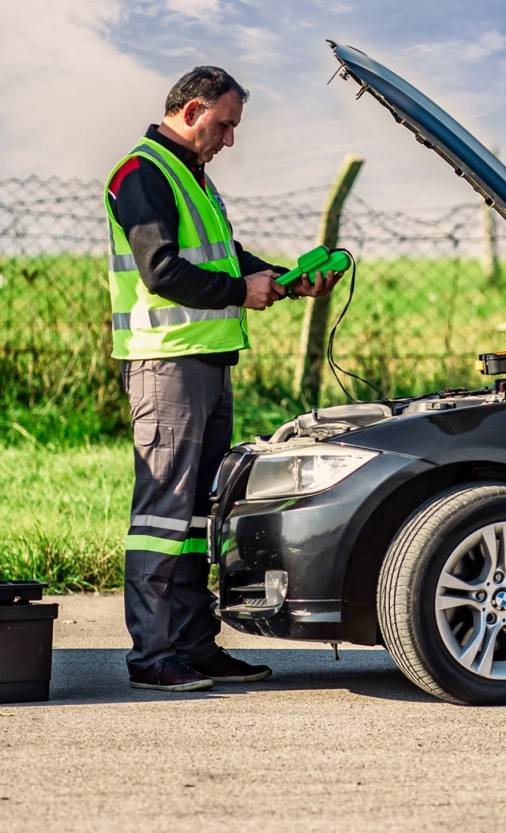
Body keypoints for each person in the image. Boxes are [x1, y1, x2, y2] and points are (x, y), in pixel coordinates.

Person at [105, 66, 342, 692]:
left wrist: (286, 280)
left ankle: (193, 646)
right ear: (191, 111)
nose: (230, 139)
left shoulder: (192, 178)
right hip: (167, 364)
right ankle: (153, 656)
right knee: (162, 515)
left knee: (193, 521)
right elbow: (161, 271)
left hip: (206, 361)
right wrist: (241, 291)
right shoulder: (142, 173)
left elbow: (227, 259)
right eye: (225, 124)